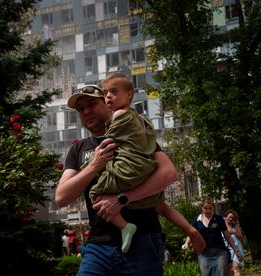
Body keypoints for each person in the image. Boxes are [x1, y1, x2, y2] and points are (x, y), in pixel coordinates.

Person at [56, 82, 204, 275]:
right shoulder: (78, 148)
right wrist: (94, 165)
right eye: (80, 109)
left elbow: (169, 173)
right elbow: (62, 197)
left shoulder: (133, 136)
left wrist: (122, 199)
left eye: (91, 105)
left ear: (106, 104)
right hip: (97, 245)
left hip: (142, 240)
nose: (86, 111)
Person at [185, 198, 243, 276]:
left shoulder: (218, 219)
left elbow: (227, 236)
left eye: (210, 208)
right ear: (201, 208)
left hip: (219, 252)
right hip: (204, 253)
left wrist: (236, 251)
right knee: (205, 274)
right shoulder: (197, 221)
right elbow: (191, 233)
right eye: (205, 208)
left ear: (213, 208)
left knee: (220, 273)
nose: (208, 211)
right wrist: (187, 243)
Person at [223, 210, 244, 276]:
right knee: (228, 270)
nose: (231, 219)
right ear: (226, 217)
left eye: (232, 218)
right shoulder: (222, 226)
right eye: (229, 217)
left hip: (236, 249)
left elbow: (241, 238)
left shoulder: (235, 226)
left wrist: (233, 231)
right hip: (226, 249)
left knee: (236, 268)